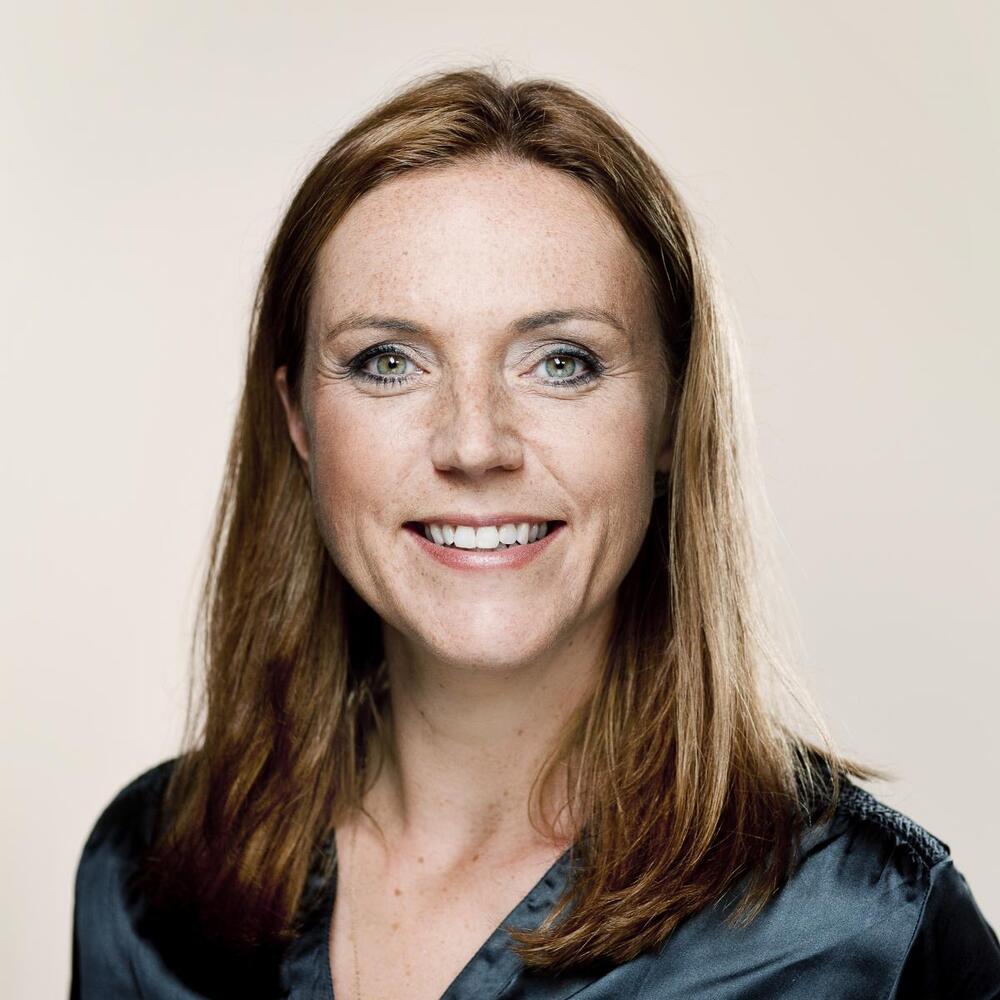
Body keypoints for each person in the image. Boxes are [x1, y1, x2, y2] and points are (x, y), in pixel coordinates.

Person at [69, 66, 1000, 1000]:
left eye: (562, 362)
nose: (475, 444)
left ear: (672, 417)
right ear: (300, 422)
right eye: (388, 362)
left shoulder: (867, 934)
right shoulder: (147, 882)